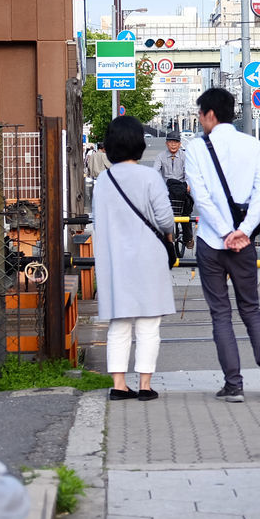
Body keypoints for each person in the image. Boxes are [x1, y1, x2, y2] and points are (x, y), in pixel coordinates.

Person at [183, 87, 260, 403]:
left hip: (211, 244)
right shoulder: (252, 146)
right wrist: (243, 231)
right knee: (252, 311)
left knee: (221, 315)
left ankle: (234, 385)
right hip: (245, 245)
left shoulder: (196, 149)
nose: (199, 120)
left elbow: (201, 197)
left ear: (210, 115)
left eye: (200, 114)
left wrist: (225, 231)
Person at [92, 115, 175, 403]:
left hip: (114, 260)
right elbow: (165, 219)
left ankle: (118, 384)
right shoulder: (150, 176)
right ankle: (144, 384)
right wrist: (169, 235)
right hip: (148, 258)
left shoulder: (103, 181)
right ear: (139, 143)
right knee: (149, 324)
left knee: (119, 324)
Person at [158, 131, 194, 252]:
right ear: (166, 143)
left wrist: (188, 184)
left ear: (180, 144)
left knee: (185, 213)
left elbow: (189, 172)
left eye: (176, 142)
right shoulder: (160, 156)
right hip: (166, 190)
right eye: (171, 142)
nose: (173, 145)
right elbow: (155, 172)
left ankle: (188, 238)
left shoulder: (185, 156)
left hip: (181, 189)